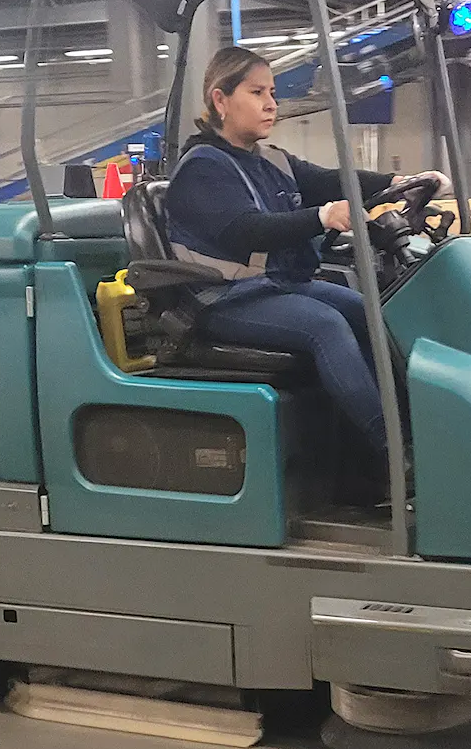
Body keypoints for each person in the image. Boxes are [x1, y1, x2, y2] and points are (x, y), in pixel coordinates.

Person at [165, 45, 449, 458]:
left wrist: (399, 179)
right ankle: (391, 451)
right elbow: (246, 231)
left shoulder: (269, 160)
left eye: (272, 93)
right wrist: (322, 217)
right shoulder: (201, 168)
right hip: (223, 298)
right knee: (325, 325)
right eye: (257, 93)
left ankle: (412, 432)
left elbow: (329, 179)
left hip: (277, 286)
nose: (270, 104)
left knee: (371, 310)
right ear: (220, 100)